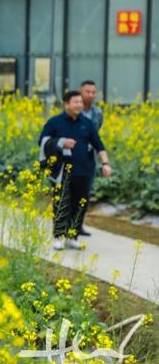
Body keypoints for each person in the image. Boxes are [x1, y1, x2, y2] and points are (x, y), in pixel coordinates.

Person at [39, 90, 112, 251]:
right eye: (76, 102)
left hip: (84, 171)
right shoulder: (54, 122)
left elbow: (99, 145)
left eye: (80, 102)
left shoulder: (87, 123)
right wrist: (61, 142)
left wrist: (105, 163)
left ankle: (73, 236)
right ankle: (58, 237)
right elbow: (43, 142)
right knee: (61, 204)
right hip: (61, 171)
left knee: (81, 204)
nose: (79, 105)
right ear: (66, 104)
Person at [78, 79, 104, 236]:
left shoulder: (98, 113)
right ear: (81, 92)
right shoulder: (74, 110)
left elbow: (96, 133)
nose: (91, 95)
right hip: (73, 158)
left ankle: (78, 225)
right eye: (87, 92)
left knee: (85, 193)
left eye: (93, 92)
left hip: (90, 158)